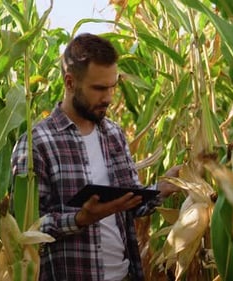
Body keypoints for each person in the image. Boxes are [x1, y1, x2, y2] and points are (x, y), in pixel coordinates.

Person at [11, 33, 181, 281]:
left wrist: (162, 188)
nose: (109, 97)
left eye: (112, 86)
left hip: (124, 275)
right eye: (99, 88)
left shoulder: (113, 134)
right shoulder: (36, 143)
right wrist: (80, 219)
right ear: (70, 83)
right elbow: (25, 231)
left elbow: (130, 204)